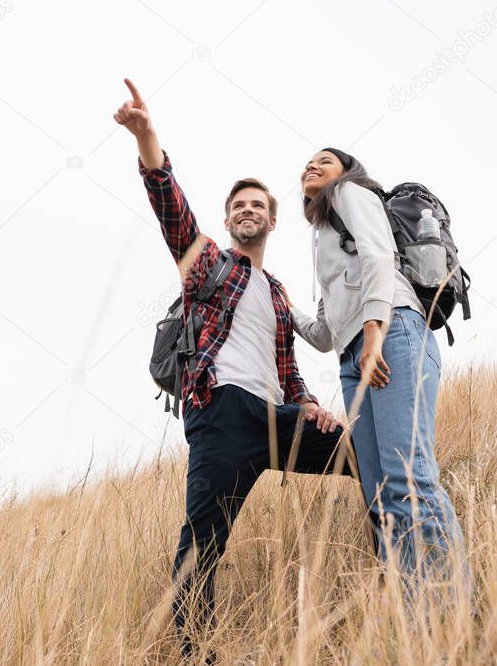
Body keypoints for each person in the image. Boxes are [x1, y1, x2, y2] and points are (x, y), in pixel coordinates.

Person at [113, 80, 353, 657]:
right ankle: (197, 652)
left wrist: (311, 405)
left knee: (365, 455)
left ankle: (402, 567)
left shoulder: (274, 291)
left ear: (272, 222)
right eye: (238, 206)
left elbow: (287, 367)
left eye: (258, 206)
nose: (248, 211)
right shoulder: (208, 267)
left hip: (278, 415)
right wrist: (148, 138)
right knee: (204, 542)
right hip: (220, 413)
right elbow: (172, 209)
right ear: (228, 222)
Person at [288, 147, 469, 590]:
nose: (311, 165)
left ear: (345, 172)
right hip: (353, 356)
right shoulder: (326, 237)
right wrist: (285, 305)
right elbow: (327, 334)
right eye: (307, 161)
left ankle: (452, 611)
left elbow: (378, 255)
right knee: (380, 495)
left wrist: (373, 329)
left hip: (393, 333)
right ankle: (413, 624)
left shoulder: (350, 192)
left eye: (324, 160)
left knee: (408, 476)